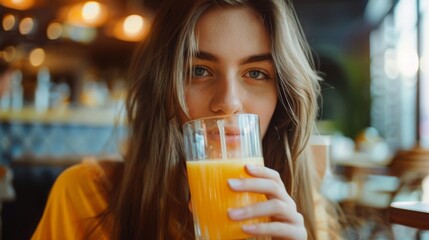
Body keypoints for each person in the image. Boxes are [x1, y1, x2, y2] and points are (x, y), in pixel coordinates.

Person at [32, 0, 341, 239]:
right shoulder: (85, 196)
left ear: (283, 95)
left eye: (256, 73)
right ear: (164, 86)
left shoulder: (301, 213)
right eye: (199, 70)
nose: (228, 103)